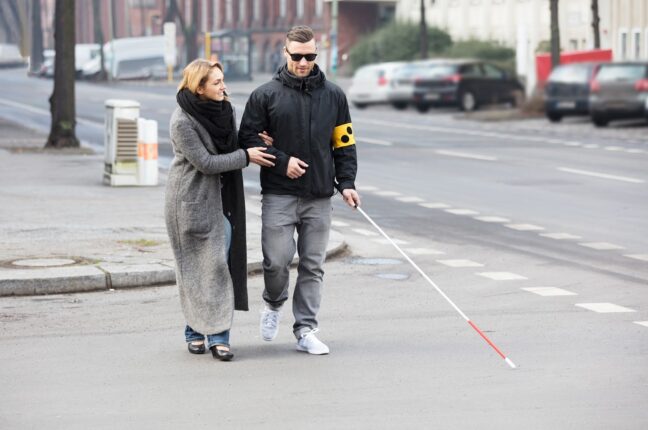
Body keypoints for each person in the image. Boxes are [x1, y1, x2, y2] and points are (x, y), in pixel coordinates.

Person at [239, 26, 360, 355]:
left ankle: (306, 328)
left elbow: (344, 144)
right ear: (285, 53)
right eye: (297, 56)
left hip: (320, 196)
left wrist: (347, 184)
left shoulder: (334, 96)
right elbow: (247, 139)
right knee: (276, 262)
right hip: (279, 194)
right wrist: (281, 162)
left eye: (310, 56)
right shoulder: (265, 95)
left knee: (312, 265)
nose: (304, 62)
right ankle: (273, 302)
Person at [165, 59, 275, 361]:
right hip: (191, 202)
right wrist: (246, 156)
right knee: (197, 268)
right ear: (199, 87)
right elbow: (207, 163)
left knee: (217, 267)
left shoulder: (226, 110)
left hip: (224, 200)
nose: (224, 87)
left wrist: (252, 143)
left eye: (223, 80)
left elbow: (226, 146)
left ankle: (211, 333)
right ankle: (203, 333)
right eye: (216, 83)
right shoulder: (182, 121)